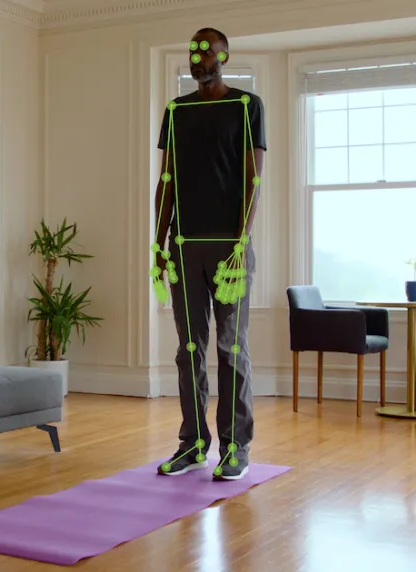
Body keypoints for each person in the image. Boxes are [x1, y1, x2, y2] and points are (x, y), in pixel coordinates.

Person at [152, 27, 266, 481]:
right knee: (189, 348)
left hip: (229, 247)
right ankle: (193, 443)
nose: (198, 57)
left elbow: (253, 179)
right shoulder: (176, 111)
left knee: (231, 346)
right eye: (193, 50)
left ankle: (235, 446)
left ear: (224, 56)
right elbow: (167, 181)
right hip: (184, 245)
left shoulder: (246, 105)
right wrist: (158, 242)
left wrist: (241, 242)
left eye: (206, 50)